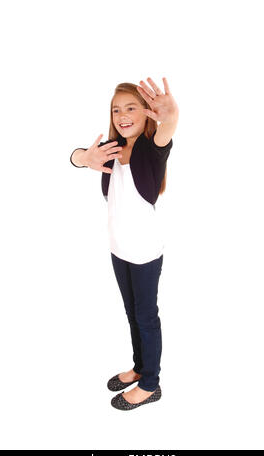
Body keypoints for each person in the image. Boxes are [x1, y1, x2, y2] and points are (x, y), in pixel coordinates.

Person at [70, 77, 179, 410]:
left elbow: (167, 129)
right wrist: (82, 158)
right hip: (119, 249)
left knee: (146, 317)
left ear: (146, 114)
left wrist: (171, 115)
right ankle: (139, 367)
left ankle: (151, 384)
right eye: (117, 109)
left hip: (144, 252)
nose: (122, 115)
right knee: (132, 315)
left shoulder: (150, 149)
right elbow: (76, 157)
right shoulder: (111, 151)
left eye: (131, 107)